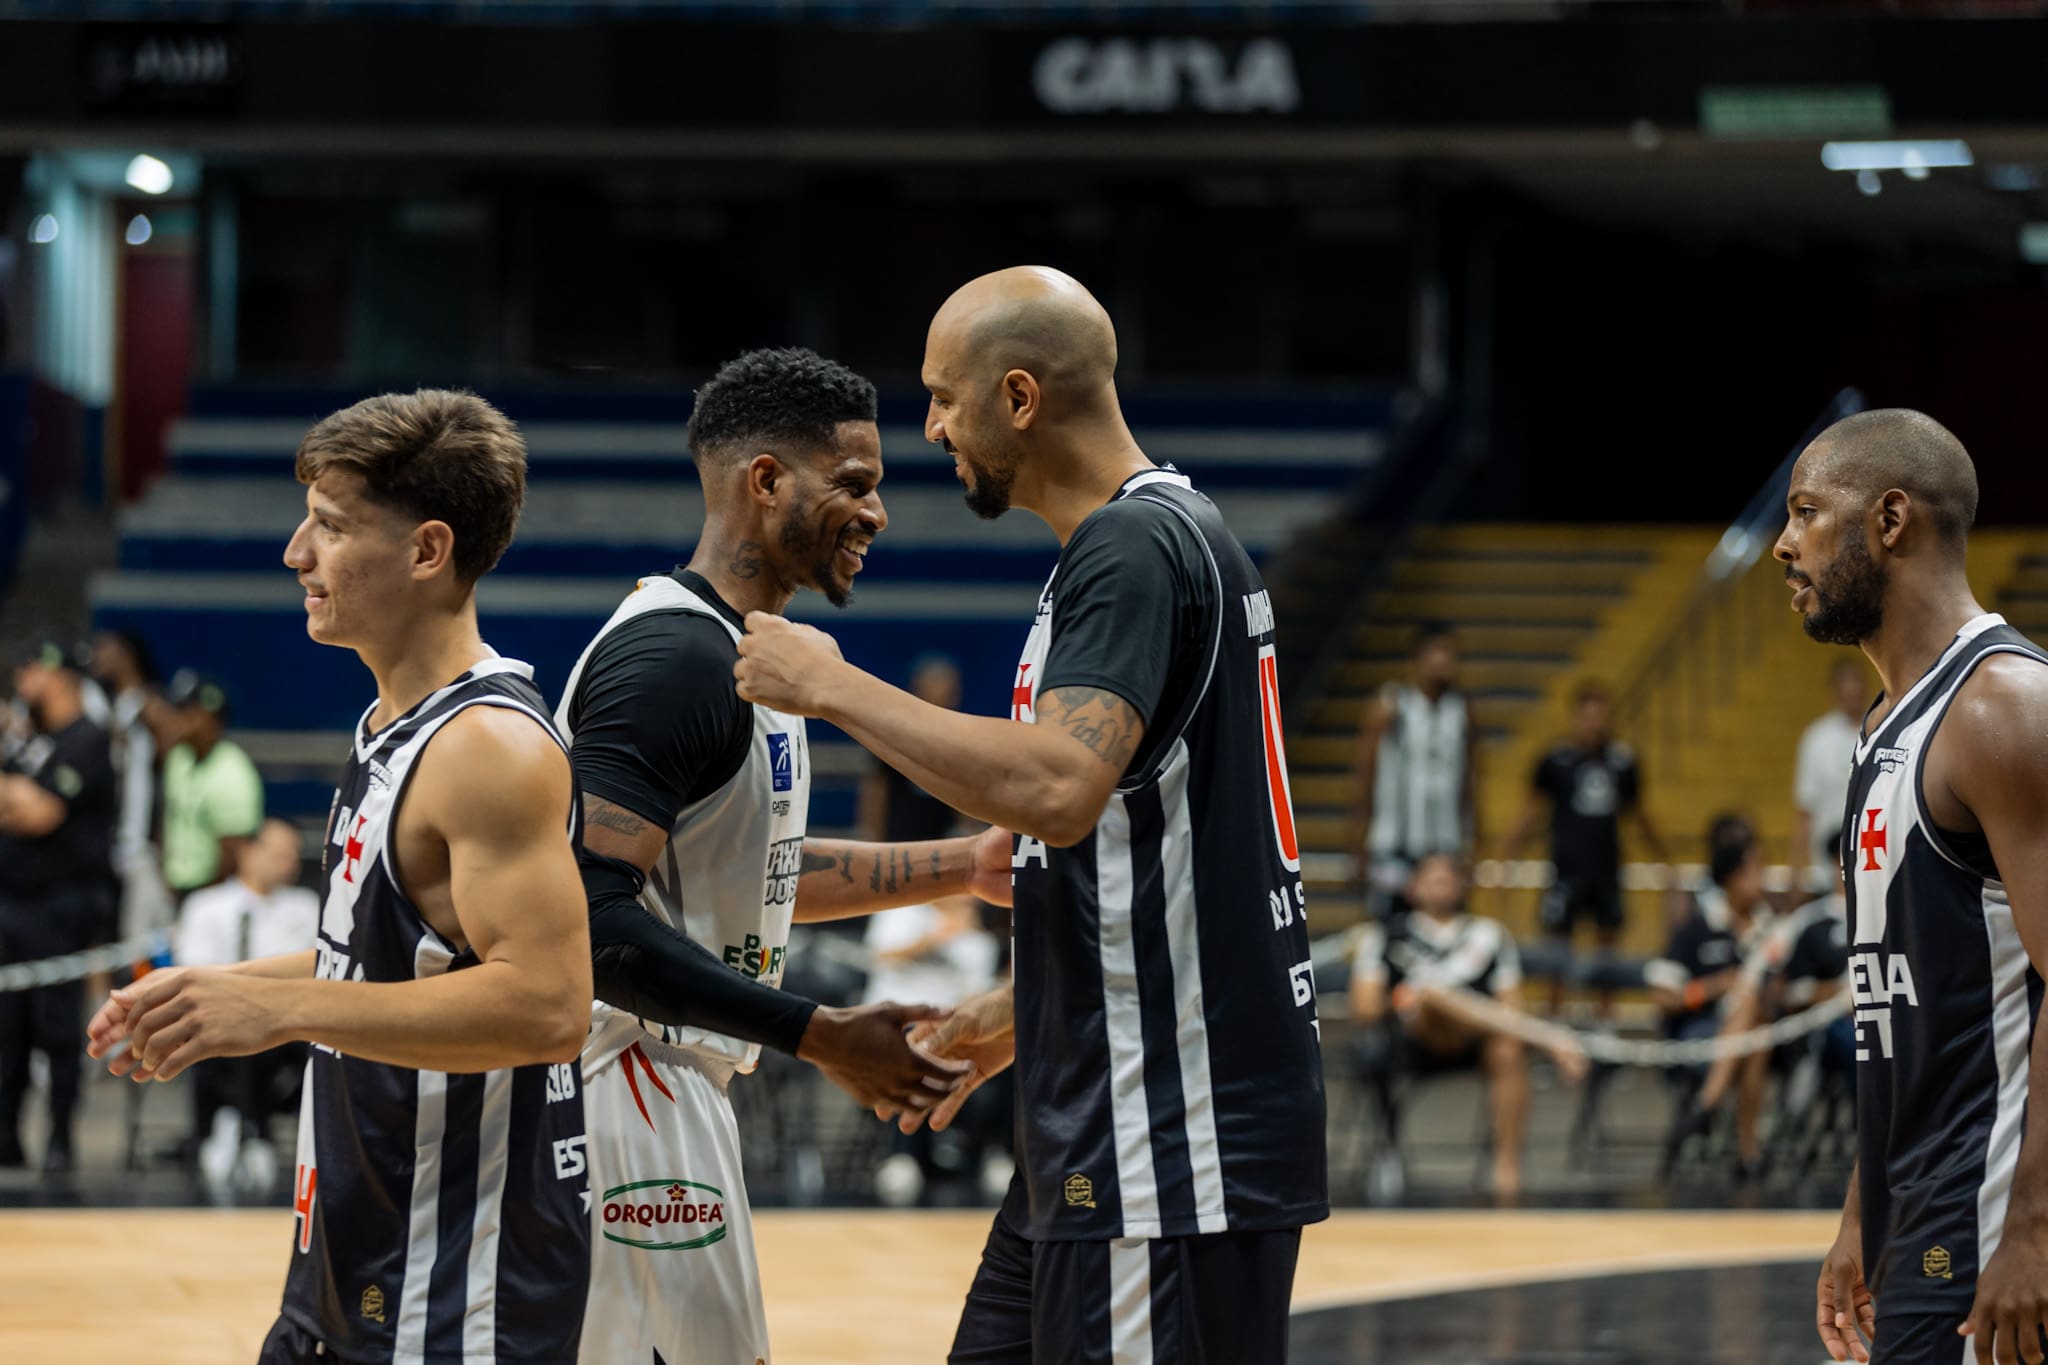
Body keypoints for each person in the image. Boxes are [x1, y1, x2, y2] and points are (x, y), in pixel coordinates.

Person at [735, 267, 1328, 1362]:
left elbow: (1057, 790)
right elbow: (1163, 857)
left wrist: (829, 685)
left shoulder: (1132, 548)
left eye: (941, 398)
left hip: (1165, 1144)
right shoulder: (1161, 540)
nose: (928, 429)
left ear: (1017, 399)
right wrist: (1010, 1020)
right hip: (1112, 1121)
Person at [87, 389, 596, 1363]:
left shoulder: (488, 747)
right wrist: (218, 993)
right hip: (357, 1268)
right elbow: (384, 961)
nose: (295, 553)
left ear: (425, 551)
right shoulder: (388, 727)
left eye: (328, 526)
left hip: (451, 1298)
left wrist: (284, 1014)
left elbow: (545, 1006)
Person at [557, 347, 1008, 1364]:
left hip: (677, 1080)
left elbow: (754, 875)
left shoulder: (758, 656)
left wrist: (964, 864)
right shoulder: (675, 659)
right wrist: (821, 1033)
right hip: (625, 1083)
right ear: (765, 482)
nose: (876, 513)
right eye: (853, 483)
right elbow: (590, 918)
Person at [1776, 410, 2048, 1365]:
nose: (1782, 544)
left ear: (1889, 519)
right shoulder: (1889, 723)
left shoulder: (2003, 706)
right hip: (1921, 1207)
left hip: (1991, 1214)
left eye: (1807, 512)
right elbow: (1893, 1016)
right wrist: (1864, 1208)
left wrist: (2035, 1232)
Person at [1349, 853, 1585, 1198]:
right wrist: (1401, 1000)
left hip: (1476, 1042)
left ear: (1461, 886)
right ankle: (1552, 1039)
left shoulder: (1488, 935)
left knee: (1507, 1048)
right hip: (1413, 1040)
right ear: (1414, 887)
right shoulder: (1384, 936)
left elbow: (1511, 1008)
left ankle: (1506, 1168)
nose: (1441, 886)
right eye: (1432, 879)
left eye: (1448, 879)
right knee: (1429, 996)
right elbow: (1364, 1009)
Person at [0, 638, 116, 1173]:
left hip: (61, 905)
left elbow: (41, 813)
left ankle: (60, 1139)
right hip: (13, 901)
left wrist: (21, 800)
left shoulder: (87, 740)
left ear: (60, 676)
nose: (23, 677)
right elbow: (21, 804)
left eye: (33, 668)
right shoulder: (30, 743)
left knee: (55, 1025)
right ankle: (6, 1136)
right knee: (8, 1027)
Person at [1502, 680, 1669, 1018]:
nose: (1595, 723)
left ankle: (1603, 1020)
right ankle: (1554, 1016)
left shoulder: (1622, 762)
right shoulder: (1555, 761)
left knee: (1607, 950)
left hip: (1607, 869)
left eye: (1601, 716)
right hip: (1565, 868)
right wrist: (1508, 852)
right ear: (1575, 717)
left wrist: (1663, 857)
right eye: (1588, 715)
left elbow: (1639, 814)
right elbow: (1531, 812)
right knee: (1557, 950)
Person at [173, 816, 318, 1194]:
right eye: (279, 853)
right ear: (249, 853)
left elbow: (317, 972)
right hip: (218, 1018)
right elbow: (193, 969)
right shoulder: (207, 905)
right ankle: (223, 1128)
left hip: (288, 1025)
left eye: (293, 855)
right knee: (210, 1038)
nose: (288, 862)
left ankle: (258, 1130)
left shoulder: (306, 906)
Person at [1656, 816, 1776, 1175]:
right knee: (1755, 1038)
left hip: (1775, 1031)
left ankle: (1705, 1105)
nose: (1763, 880)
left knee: (1755, 1018)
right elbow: (1663, 995)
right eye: (1755, 871)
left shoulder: (1773, 928)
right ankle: (1747, 1152)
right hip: (1701, 1029)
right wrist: (1711, 988)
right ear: (1732, 879)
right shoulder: (1697, 927)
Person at [1352, 622, 1479, 915]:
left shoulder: (1463, 710)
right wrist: (1358, 843)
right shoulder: (1390, 705)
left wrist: (1472, 844)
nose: (1444, 661)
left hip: (1445, 847)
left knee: (1444, 943)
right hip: (1394, 848)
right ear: (1417, 658)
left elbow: (1470, 782)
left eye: (1450, 653)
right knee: (1391, 939)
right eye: (1436, 651)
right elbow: (1364, 777)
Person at [90, 629, 171, 942]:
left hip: (143, 843)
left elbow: (174, 760)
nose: (96, 656)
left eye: (104, 648)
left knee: (143, 939)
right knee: (102, 936)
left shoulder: (151, 702)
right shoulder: (105, 704)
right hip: (108, 841)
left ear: (126, 654)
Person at [158, 670, 264, 898]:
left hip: (214, 892)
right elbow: (168, 821)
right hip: (176, 886)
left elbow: (234, 851)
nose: (176, 720)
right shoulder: (179, 758)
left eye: (186, 712)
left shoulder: (233, 770)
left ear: (209, 718)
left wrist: (206, 901)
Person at [860, 654, 967, 845]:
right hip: (899, 838)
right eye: (934, 688)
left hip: (941, 840)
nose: (941, 696)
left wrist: (968, 832)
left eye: (948, 690)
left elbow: (969, 788)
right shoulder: (895, 733)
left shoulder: (960, 738)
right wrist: (872, 835)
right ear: (918, 689)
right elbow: (877, 787)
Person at [1794, 657, 1872, 892]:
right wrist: (1795, 874)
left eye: (1857, 685)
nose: (1852, 693)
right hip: (1826, 873)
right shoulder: (1817, 739)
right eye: (1846, 687)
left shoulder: (1880, 729)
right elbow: (1805, 811)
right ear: (1835, 692)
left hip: (1871, 863)